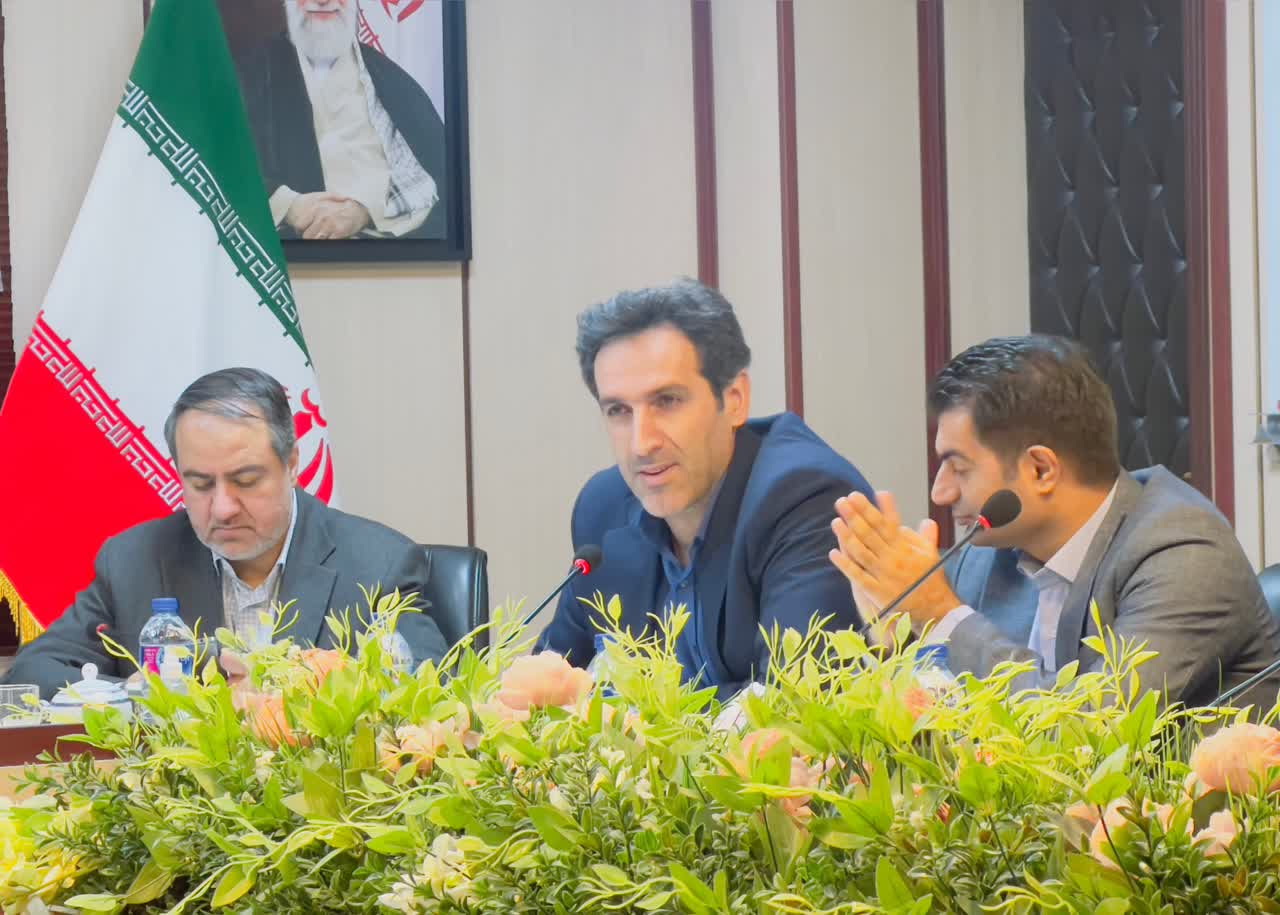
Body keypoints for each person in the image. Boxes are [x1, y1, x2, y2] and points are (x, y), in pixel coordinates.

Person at [829, 335, 1280, 710]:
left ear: (1041, 469)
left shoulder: (1184, 556)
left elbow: (1090, 730)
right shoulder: (988, 553)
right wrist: (895, 637)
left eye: (958, 467)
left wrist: (941, 615)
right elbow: (945, 724)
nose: (940, 492)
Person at [4, 368, 448, 698]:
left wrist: (302, 686)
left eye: (246, 480)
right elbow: (32, 675)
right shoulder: (134, 560)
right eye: (200, 484)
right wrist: (136, 693)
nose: (222, 508)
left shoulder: (378, 564)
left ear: (292, 464)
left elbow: (433, 686)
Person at [537, 279, 874, 697]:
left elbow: (793, 702)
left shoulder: (805, 498)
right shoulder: (604, 508)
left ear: (734, 399)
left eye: (667, 401)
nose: (642, 443)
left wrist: (620, 712)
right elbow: (555, 669)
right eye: (619, 410)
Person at [235, 0, 447, 240]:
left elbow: (437, 180)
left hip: (391, 248)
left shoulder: (390, 78)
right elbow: (225, 171)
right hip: (295, 252)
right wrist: (291, 207)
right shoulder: (251, 75)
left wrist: (365, 210)